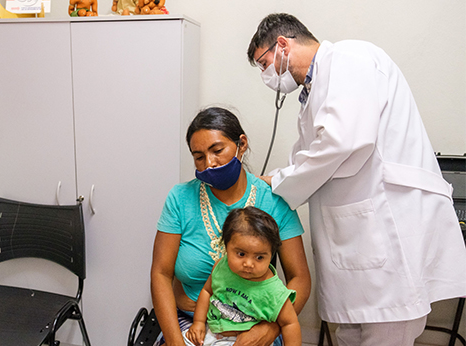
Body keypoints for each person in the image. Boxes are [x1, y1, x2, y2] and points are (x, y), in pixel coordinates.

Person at [247, 13, 466, 346]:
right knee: (352, 334)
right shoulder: (313, 92)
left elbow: (344, 141)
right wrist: (276, 177)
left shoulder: (348, 58)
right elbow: (311, 154)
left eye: (264, 63)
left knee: (387, 333)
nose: (268, 75)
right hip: (358, 248)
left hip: (388, 233)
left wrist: (278, 182)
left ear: (282, 45)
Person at [151, 107, 311, 346]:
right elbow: (161, 274)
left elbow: (300, 278)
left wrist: (270, 329)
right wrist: (175, 343)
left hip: (255, 327)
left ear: (241, 144)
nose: (209, 164)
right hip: (190, 321)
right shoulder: (180, 198)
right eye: (198, 156)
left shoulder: (274, 200)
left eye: (217, 151)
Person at [184, 207, 301, 346]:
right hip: (211, 331)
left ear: (271, 255)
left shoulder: (274, 291)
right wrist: (198, 323)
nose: (248, 264)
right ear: (226, 247)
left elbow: (290, 324)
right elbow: (207, 291)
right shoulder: (221, 266)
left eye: (259, 257)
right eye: (241, 254)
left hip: (245, 341)